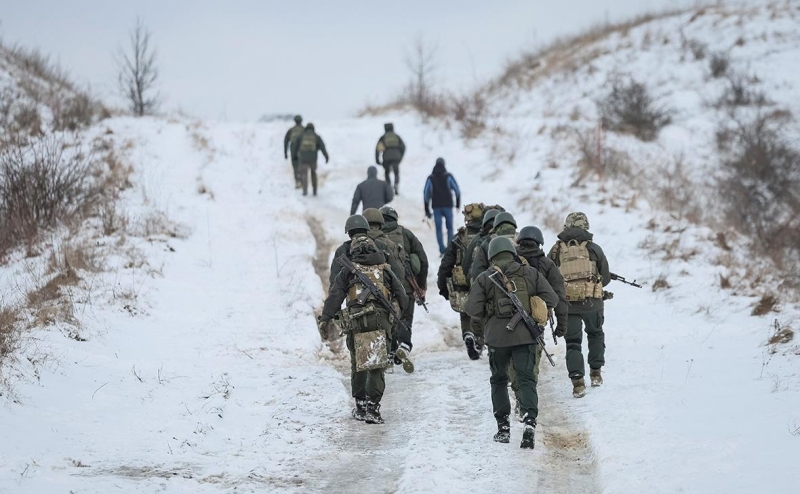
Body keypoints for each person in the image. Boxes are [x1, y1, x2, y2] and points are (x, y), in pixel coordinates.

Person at [465, 237, 558, 449]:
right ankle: (529, 424)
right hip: (526, 336)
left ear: (492, 256)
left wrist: (490, 312)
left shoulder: (485, 277)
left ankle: (503, 428)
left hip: (497, 339)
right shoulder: (530, 273)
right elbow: (552, 299)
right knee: (526, 379)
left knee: (498, 380)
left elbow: (472, 309)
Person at [318, 234, 409, 424]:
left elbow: (335, 297)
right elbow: (403, 296)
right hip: (381, 320)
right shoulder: (385, 270)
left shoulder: (347, 272)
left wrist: (325, 319)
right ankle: (373, 409)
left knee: (358, 363)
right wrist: (395, 312)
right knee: (377, 364)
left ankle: (360, 406)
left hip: (356, 322)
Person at [508, 226, 569, 418]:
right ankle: (526, 398)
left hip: (509, 319)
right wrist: (562, 324)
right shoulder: (547, 264)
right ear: (539, 242)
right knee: (531, 361)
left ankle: (519, 394)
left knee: (512, 359)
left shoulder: (510, 262)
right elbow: (558, 296)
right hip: (537, 321)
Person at [548, 212, 610, 399]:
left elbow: (548, 276)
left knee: (573, 343)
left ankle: (578, 383)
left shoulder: (556, 250)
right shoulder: (594, 249)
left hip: (567, 305)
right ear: (586, 227)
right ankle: (596, 373)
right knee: (596, 334)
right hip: (593, 303)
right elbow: (605, 279)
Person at [436, 203, 485, 360]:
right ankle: (481, 340)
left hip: (462, 281)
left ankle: (468, 334)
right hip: (483, 280)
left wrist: (442, 285)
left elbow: (446, 263)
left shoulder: (460, 237)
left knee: (466, 313)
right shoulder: (488, 236)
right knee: (484, 311)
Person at [361, 208, 413, 355]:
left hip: (358, 299)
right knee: (388, 321)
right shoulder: (388, 244)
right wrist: (399, 297)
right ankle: (390, 351)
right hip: (383, 295)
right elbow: (398, 274)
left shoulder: (351, 245)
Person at [380, 206, 428, 344]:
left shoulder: (373, 235)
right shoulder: (406, 234)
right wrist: (421, 286)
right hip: (406, 285)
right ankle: (404, 345)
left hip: (381, 286)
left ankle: (391, 348)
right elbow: (423, 259)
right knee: (405, 318)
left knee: (386, 317)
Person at [423, 158, 461, 255]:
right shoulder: (448, 176)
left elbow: (426, 194)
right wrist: (457, 204)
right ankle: (449, 248)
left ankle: (442, 249)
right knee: (450, 227)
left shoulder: (431, 178)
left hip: (436, 206)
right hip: (448, 205)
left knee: (439, 229)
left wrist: (427, 209)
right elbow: (457, 190)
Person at [469, 211, 518, 283]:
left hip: (494, 285)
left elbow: (477, 271)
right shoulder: (521, 239)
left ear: (496, 227)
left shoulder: (487, 242)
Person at [291, 122, 329, 196]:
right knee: (313, 173)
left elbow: (295, 147)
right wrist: (326, 156)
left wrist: (294, 156)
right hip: (313, 159)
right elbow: (322, 147)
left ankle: (305, 191)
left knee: (304, 174)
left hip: (303, 159)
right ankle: (314, 191)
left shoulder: (301, 136)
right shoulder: (316, 136)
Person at [375, 123, 406, 194]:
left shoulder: (383, 137)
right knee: (396, 173)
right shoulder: (397, 136)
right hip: (396, 157)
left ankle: (388, 186)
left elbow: (377, 149)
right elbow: (403, 147)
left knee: (387, 172)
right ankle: (396, 185)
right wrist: (400, 156)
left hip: (386, 157)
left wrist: (377, 160)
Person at [283, 115, 304, 188]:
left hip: (293, 148)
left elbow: (286, 141)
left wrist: (285, 153)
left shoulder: (291, 130)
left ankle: (298, 181)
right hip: (302, 149)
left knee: (295, 165)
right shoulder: (304, 129)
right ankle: (302, 181)